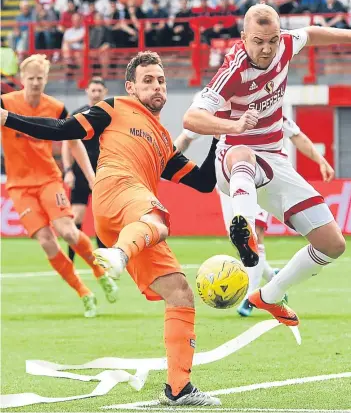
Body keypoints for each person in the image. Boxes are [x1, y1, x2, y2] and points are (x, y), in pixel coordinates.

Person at [0, 51, 227, 406]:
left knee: (180, 292)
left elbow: (203, 182)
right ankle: (117, 255)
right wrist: (7, 117)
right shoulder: (113, 107)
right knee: (157, 218)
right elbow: (63, 129)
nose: (156, 86)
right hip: (115, 190)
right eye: (148, 80)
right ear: (131, 86)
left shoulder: (164, 142)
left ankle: (178, 389)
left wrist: (220, 133)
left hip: (131, 217)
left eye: (161, 80)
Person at [183, 4, 346, 327]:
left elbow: (312, 34)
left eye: (272, 40)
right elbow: (191, 117)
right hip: (234, 158)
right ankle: (245, 233)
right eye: (258, 41)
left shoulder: (285, 44)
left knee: (333, 244)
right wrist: (235, 126)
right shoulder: (233, 70)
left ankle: (269, 295)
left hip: (276, 160)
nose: (266, 48)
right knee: (243, 154)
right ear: (244, 38)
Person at [174, 115, 335, 316]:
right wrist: (165, 158)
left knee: (254, 233)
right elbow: (186, 136)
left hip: (265, 178)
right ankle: (270, 274)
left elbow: (297, 136)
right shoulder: (216, 113)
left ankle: (251, 298)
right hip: (229, 182)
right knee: (240, 239)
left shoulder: (267, 110)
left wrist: (320, 160)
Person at [0, 54, 118, 318]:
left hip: (48, 179)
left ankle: (101, 273)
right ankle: (83, 293)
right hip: (19, 186)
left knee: (68, 231)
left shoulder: (55, 106)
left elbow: (74, 140)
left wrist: (90, 176)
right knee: (46, 241)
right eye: (30, 79)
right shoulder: (6, 103)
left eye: (40, 78)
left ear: (45, 79)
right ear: (21, 79)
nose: (34, 83)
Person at [62, 77, 108, 264]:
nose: (96, 93)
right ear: (87, 92)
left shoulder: (110, 115)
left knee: (102, 217)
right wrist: (68, 170)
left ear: (104, 92)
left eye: (99, 90)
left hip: (104, 170)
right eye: (93, 90)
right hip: (80, 171)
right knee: (77, 215)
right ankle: (71, 260)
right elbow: (67, 143)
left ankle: (105, 261)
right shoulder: (78, 114)